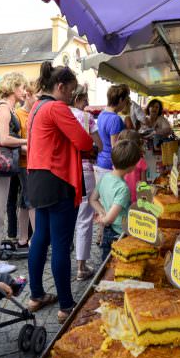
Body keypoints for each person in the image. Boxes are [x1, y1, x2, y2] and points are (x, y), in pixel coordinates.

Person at [26, 62, 92, 323]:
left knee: (40, 238)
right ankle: (66, 305)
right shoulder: (56, 107)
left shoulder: (36, 107)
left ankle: (36, 295)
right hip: (58, 178)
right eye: (71, 91)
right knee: (61, 243)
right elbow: (85, 142)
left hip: (38, 178)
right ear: (60, 87)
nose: (72, 97)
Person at [0, 72, 28, 274]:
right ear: (14, 87)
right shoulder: (2, 108)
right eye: (23, 88)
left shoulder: (6, 107)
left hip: (2, 166)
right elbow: (3, 139)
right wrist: (27, 141)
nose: (25, 92)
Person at [69, 83, 102, 281]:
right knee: (84, 217)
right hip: (84, 169)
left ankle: (63, 262)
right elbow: (100, 144)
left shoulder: (60, 113)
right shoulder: (87, 118)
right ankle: (81, 266)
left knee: (65, 218)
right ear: (79, 99)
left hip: (64, 171)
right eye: (85, 100)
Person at [89, 139, 142, 262]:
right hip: (119, 234)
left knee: (106, 262)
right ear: (132, 166)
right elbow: (109, 219)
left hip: (109, 232)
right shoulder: (123, 188)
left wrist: (102, 211)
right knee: (117, 264)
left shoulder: (105, 177)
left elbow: (93, 200)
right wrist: (103, 218)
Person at [6, 82, 37, 250]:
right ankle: (36, 239)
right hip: (25, 162)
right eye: (37, 96)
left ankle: (24, 238)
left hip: (32, 161)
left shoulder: (35, 113)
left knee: (25, 202)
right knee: (31, 200)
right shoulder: (18, 114)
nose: (39, 100)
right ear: (28, 95)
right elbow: (15, 142)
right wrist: (35, 150)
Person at [95, 84, 130, 181]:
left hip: (101, 162)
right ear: (120, 100)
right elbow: (115, 147)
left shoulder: (101, 114)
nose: (125, 104)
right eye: (125, 100)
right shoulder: (115, 119)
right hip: (110, 166)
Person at [117, 129, 148, 203]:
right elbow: (143, 183)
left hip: (121, 195)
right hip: (135, 198)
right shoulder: (141, 161)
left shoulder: (118, 159)